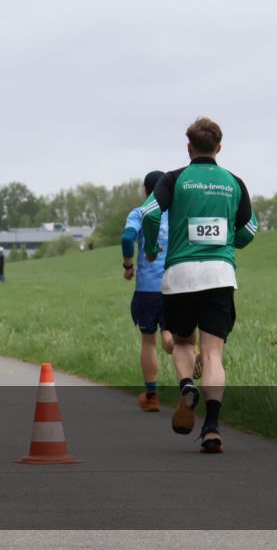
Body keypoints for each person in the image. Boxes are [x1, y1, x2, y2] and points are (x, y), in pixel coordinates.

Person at [141, 117, 257, 454]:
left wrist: (152, 246)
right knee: (213, 353)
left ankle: (187, 386)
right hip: (220, 274)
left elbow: (149, 213)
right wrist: (230, 243)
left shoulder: (174, 179)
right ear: (219, 148)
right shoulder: (234, 182)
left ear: (189, 147)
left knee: (181, 342)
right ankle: (211, 428)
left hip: (180, 275)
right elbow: (249, 230)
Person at [122, 171, 175, 412]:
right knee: (171, 336)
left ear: (145, 191)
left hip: (147, 289)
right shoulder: (177, 214)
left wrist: (128, 266)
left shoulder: (140, 212)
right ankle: (190, 354)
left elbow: (127, 238)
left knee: (148, 341)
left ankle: (152, 397)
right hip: (175, 285)